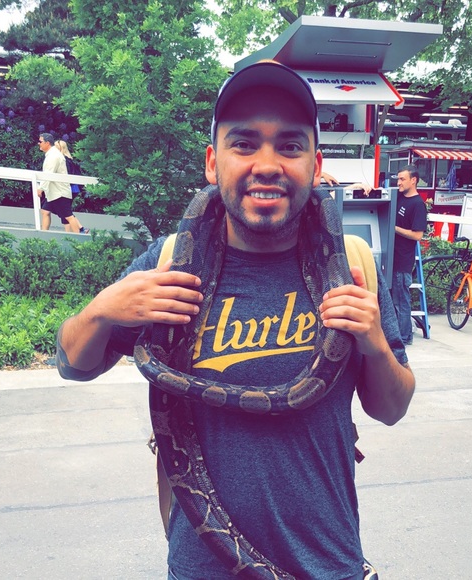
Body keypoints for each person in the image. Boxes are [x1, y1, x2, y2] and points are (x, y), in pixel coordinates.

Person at [56, 61, 415, 579]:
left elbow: (392, 408)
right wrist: (100, 311)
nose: (266, 164)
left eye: (290, 146)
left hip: (328, 563)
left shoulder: (352, 266)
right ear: (213, 162)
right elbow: (71, 364)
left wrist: (375, 343)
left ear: (316, 166)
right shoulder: (169, 265)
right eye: (244, 144)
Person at [392, 164, 428, 346]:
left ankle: (405, 337)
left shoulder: (418, 205)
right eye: (398, 179)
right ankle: (396, 334)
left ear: (413, 180)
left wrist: (393, 227)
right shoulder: (398, 197)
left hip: (402, 261)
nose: (398, 182)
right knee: (392, 300)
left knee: (401, 301)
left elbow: (417, 235)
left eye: (402, 179)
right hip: (391, 258)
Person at [37, 133, 85, 233]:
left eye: (40, 141)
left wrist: (41, 188)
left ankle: (78, 237)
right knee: (45, 211)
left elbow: (48, 174)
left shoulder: (53, 156)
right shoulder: (52, 154)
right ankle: (44, 234)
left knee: (68, 216)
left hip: (59, 193)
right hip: (54, 192)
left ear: (47, 143)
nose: (38, 143)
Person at [54, 139, 90, 234]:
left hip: (69, 188)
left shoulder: (64, 160)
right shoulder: (69, 159)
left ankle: (78, 230)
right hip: (73, 188)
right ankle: (80, 229)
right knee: (65, 210)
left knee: (65, 210)